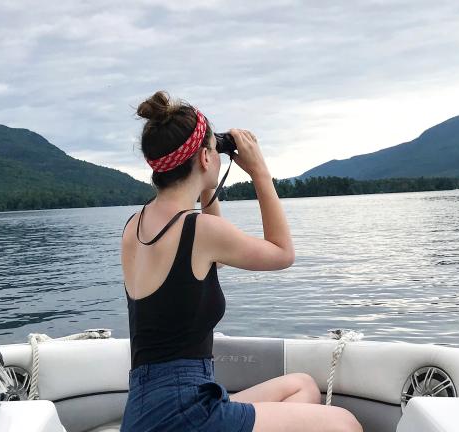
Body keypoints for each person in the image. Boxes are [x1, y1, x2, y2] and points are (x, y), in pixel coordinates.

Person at [120, 90, 362, 432]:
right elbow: (282, 253)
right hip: (184, 414)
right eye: (213, 150)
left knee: (302, 387)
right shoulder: (199, 230)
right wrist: (260, 171)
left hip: (147, 410)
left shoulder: (134, 226)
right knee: (345, 425)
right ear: (205, 159)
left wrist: (204, 187)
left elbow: (210, 264)